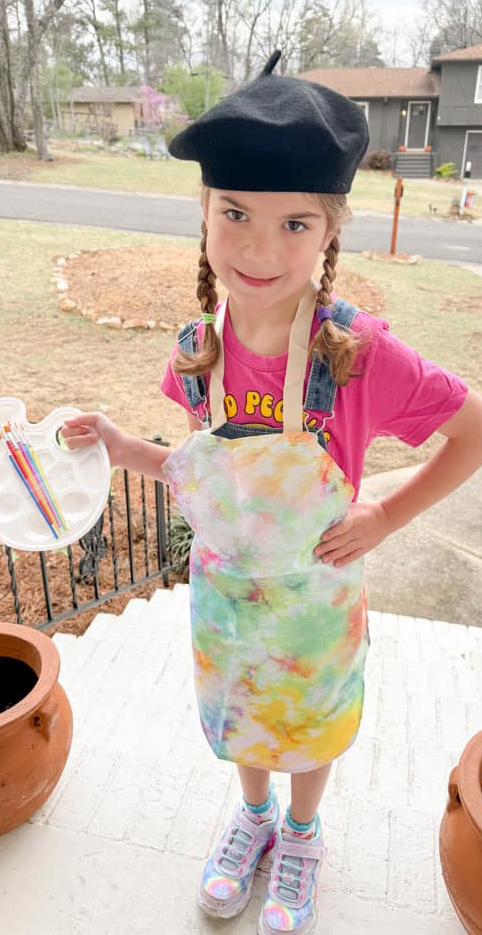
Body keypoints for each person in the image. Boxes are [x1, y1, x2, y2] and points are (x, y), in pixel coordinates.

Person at [61, 51, 482, 935]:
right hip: (225, 600)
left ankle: (300, 831)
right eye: (236, 213)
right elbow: (201, 467)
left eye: (295, 223)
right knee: (241, 717)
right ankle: (252, 816)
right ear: (204, 212)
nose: (260, 247)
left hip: (316, 609)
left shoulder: (357, 354)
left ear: (332, 229)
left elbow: (473, 430)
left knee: (310, 726)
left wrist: (386, 514)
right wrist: (122, 447)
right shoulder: (196, 350)